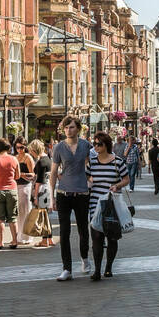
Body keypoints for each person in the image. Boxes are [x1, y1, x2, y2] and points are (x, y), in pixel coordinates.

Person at [50, 116, 93, 280]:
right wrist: (52, 196)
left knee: (83, 229)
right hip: (64, 194)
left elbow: (91, 167)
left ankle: (84, 258)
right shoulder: (59, 147)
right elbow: (54, 172)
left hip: (82, 193)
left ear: (78, 129)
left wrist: (91, 182)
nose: (69, 130)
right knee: (64, 231)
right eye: (66, 128)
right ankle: (66, 268)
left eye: (72, 127)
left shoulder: (86, 146)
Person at [87, 132, 130, 280]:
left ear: (107, 145)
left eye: (99, 144)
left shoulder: (117, 162)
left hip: (112, 205)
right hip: (95, 204)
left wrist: (116, 185)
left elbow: (126, 179)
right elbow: (86, 177)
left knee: (112, 237)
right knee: (96, 237)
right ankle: (97, 270)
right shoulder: (92, 162)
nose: (96, 147)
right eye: (95, 144)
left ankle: (108, 267)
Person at [0, 139, 21, 249]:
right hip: (12, 189)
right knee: (12, 218)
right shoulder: (14, 159)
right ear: (8, 148)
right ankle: (14, 241)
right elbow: (18, 176)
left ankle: (1, 242)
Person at [29, 139, 54, 248]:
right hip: (48, 188)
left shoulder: (40, 162)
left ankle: (44, 240)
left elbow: (39, 180)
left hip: (41, 190)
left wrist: (35, 196)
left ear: (35, 150)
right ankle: (50, 238)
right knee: (46, 215)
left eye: (32, 151)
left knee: (42, 216)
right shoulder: (48, 160)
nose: (31, 153)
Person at [14, 139, 35, 242]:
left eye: (21, 147)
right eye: (17, 147)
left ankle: (26, 236)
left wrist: (21, 174)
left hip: (25, 186)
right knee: (18, 212)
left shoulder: (28, 157)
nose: (19, 150)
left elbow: (33, 174)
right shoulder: (15, 157)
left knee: (25, 211)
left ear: (25, 147)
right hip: (16, 186)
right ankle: (19, 236)